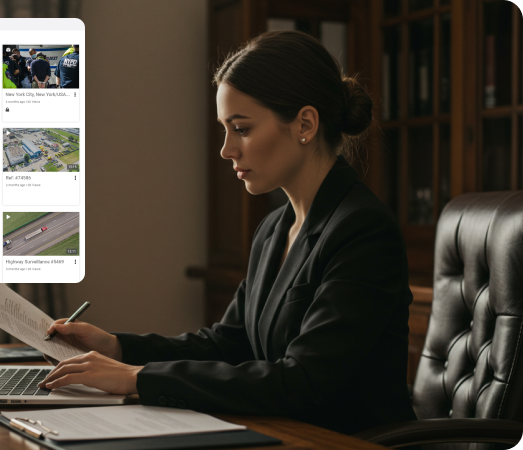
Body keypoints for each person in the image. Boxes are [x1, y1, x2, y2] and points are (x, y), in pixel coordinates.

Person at [37, 31, 417, 435]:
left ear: (305, 123)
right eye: (225, 128)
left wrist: (136, 377)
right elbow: (227, 343)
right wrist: (118, 347)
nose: (226, 149)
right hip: (281, 434)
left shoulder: (363, 231)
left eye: (242, 129)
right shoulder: (275, 227)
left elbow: (303, 382)